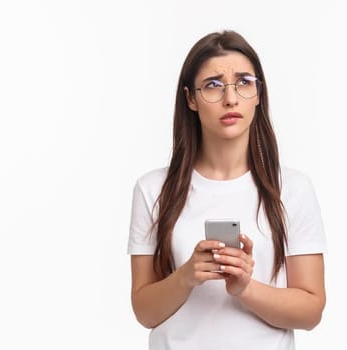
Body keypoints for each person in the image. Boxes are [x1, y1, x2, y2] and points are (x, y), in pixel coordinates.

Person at [126, 30, 329, 350]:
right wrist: (187, 276)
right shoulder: (154, 189)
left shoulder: (291, 189)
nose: (230, 98)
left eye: (244, 82)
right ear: (190, 99)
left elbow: (311, 311)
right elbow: (144, 311)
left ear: (259, 94)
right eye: (213, 85)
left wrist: (246, 288)